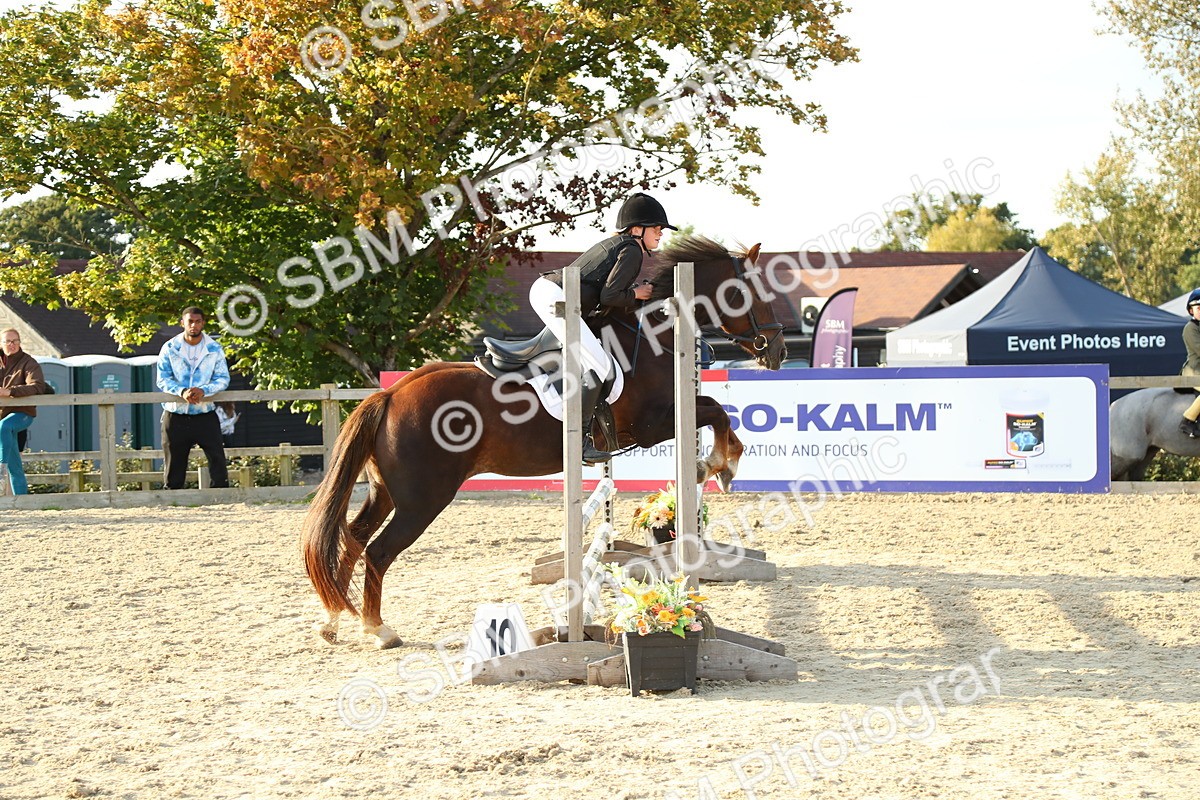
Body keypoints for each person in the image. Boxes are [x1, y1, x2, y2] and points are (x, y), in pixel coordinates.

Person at [531, 192, 676, 463]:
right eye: (656, 228)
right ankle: (578, 442)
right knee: (600, 366)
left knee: (595, 361)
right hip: (557, 297)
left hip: (554, 294)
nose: (660, 234)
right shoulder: (632, 249)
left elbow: (606, 296)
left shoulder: (624, 245)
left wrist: (635, 293)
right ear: (637, 229)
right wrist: (638, 294)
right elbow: (611, 297)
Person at [157, 306, 231, 488]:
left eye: (198, 321)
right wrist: (182, 392)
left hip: (205, 412)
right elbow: (162, 378)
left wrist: (204, 390)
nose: (194, 325)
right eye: (190, 321)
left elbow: (223, 378)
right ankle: (173, 502)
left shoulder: (214, 348)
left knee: (217, 458)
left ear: (203, 323)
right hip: (175, 413)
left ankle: (221, 499)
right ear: (182, 323)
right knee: (174, 460)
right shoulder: (169, 348)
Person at [0, 329, 47, 494]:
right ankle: (22, 499)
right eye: (8, 341)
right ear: (2, 343)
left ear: (20, 342)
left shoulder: (29, 362)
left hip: (22, 413)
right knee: (15, 463)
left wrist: (9, 391)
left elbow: (37, 386)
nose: (12, 345)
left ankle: (0, 470)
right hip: (3, 414)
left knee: (4, 427)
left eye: (15, 341)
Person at [1179, 289, 1200, 437]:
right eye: (1199, 308)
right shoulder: (1190, 328)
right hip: (1194, 370)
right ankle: (1188, 420)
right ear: (1191, 311)